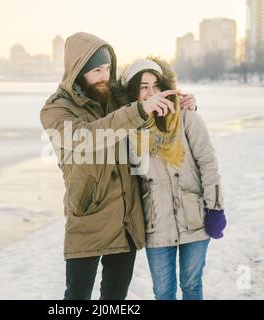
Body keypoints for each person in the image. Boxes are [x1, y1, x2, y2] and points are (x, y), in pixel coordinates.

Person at [40, 33, 197, 300]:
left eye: (108, 69)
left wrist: (181, 108)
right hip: (89, 217)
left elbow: (153, 116)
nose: (104, 76)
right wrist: (138, 109)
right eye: (97, 70)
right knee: (76, 299)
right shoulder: (56, 110)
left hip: (126, 219)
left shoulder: (116, 99)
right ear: (78, 70)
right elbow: (87, 137)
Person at [115, 58, 227, 300]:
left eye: (156, 85)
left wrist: (215, 208)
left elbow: (208, 163)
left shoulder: (187, 118)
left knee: (192, 286)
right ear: (133, 91)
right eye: (144, 86)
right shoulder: (129, 131)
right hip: (156, 224)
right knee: (163, 292)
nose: (152, 92)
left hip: (194, 218)